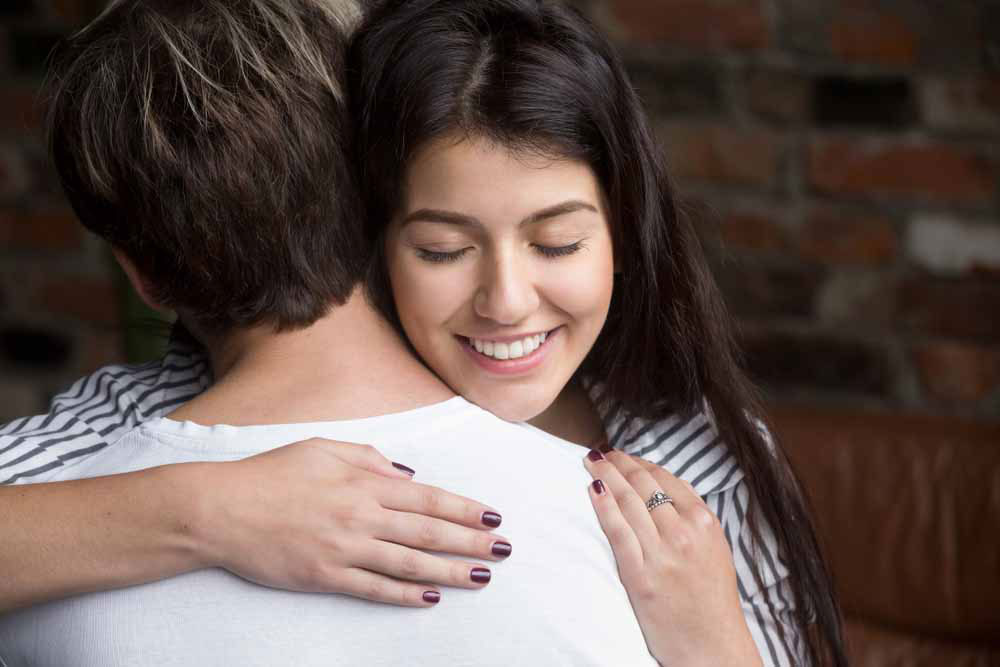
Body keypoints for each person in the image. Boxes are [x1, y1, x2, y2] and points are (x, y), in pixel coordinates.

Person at [0, 0, 845, 665]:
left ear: (625, 232)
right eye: (443, 248)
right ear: (368, 225)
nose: (507, 302)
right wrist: (207, 506)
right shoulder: (155, 416)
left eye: (558, 242)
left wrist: (714, 644)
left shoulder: (706, 462)